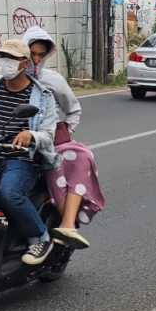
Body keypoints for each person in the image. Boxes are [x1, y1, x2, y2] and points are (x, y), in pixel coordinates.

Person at [0, 39, 60, 266]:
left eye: (11, 59)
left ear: (24, 63)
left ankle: (40, 237)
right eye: (2, 57)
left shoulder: (42, 96)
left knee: (9, 194)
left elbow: (48, 135)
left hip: (19, 160)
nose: (4, 63)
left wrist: (31, 136)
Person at [22, 26, 105, 249]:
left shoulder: (53, 80)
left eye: (41, 54)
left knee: (80, 156)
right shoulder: (7, 79)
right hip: (17, 142)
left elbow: (73, 109)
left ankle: (68, 225)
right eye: (32, 53)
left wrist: (64, 133)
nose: (36, 59)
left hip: (52, 140)